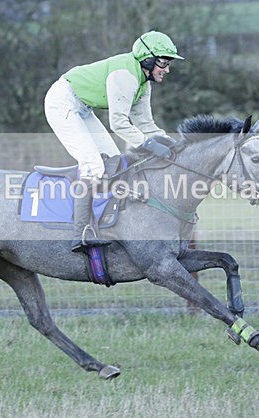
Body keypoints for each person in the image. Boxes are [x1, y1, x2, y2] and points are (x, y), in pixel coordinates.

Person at [44, 30, 184, 253]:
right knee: (92, 164)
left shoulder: (143, 84)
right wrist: (150, 145)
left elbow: (146, 125)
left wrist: (173, 144)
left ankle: (107, 221)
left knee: (114, 160)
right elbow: (118, 123)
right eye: (163, 63)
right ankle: (80, 233)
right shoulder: (125, 75)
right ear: (147, 59)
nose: (167, 69)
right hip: (62, 101)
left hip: (82, 107)